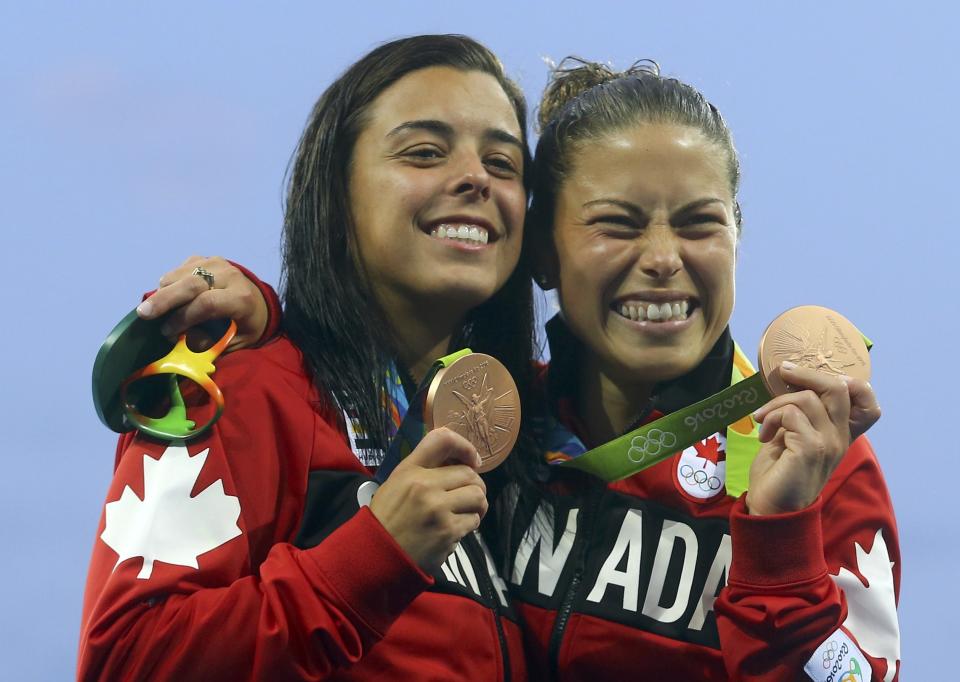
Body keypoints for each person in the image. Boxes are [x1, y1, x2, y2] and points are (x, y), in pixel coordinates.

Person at [135, 59, 901, 680]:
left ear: (738, 235)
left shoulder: (814, 465)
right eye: (616, 224)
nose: (664, 260)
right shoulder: (490, 425)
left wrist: (780, 539)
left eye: (701, 222)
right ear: (540, 253)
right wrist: (278, 322)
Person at [79, 34, 539, 681]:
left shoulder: (527, 436)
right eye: (425, 152)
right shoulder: (233, 393)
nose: (475, 178)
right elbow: (129, 659)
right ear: (336, 193)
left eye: (505, 163)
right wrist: (372, 557)